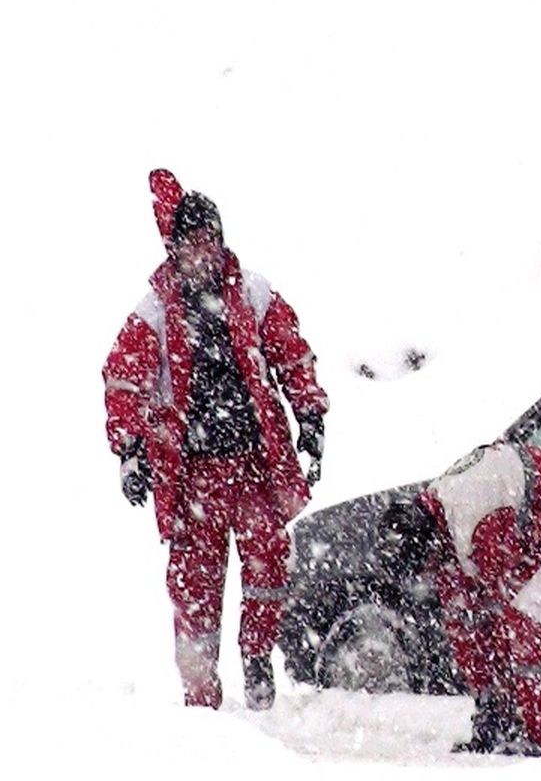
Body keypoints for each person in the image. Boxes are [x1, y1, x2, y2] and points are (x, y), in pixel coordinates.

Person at [102, 169, 329, 710]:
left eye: (209, 240)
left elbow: (293, 356)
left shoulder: (252, 293)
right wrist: (130, 452)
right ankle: (200, 702)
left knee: (270, 559)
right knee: (193, 586)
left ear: (220, 241)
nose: (201, 252)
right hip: (194, 474)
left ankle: (257, 656)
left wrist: (311, 417)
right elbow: (121, 380)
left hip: (254, 464)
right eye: (191, 242)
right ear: (175, 249)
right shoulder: (154, 313)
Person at [408, 442, 541, 757]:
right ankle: (499, 719)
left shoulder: (476, 521)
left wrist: (499, 677)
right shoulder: (441, 520)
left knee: (524, 622)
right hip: (534, 526)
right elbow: (464, 624)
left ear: (429, 546)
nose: (428, 578)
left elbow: (498, 607)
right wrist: (486, 701)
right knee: (466, 616)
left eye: (426, 568)